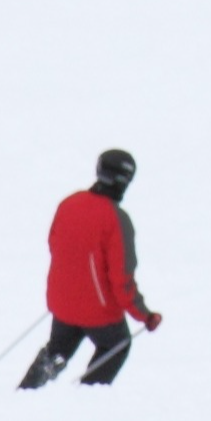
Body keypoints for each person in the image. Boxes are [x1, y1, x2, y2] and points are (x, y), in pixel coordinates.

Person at [19, 150, 163, 389]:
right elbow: (122, 279)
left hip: (62, 301)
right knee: (117, 345)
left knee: (58, 349)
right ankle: (86, 397)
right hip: (99, 311)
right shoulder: (117, 219)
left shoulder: (69, 203)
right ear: (124, 180)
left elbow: (55, 246)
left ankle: (26, 392)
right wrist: (144, 315)